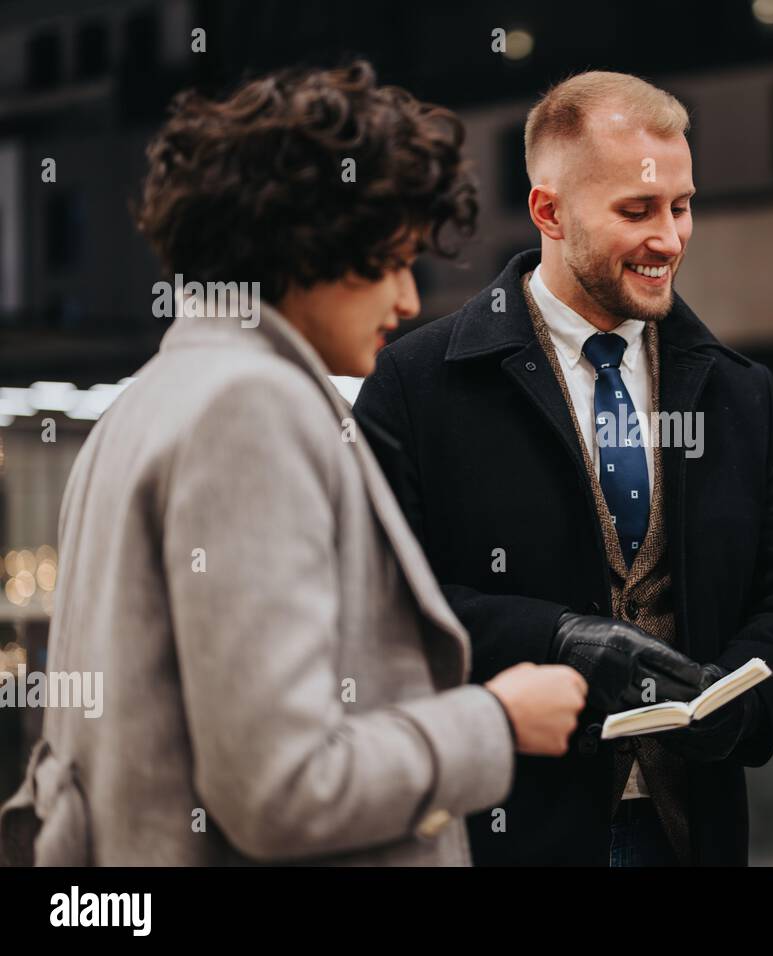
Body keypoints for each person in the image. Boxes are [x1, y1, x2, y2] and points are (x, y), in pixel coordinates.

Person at [0, 61, 586, 866]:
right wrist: (496, 721)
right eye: (391, 258)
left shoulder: (150, 399)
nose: (410, 299)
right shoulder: (252, 408)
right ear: (310, 244)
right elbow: (282, 789)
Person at [354, 71, 773, 865]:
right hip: (506, 831)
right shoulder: (418, 382)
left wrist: (744, 704)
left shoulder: (738, 389)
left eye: (681, 206)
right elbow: (381, 604)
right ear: (548, 210)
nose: (670, 239)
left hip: (691, 832)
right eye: (636, 211)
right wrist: (558, 638)